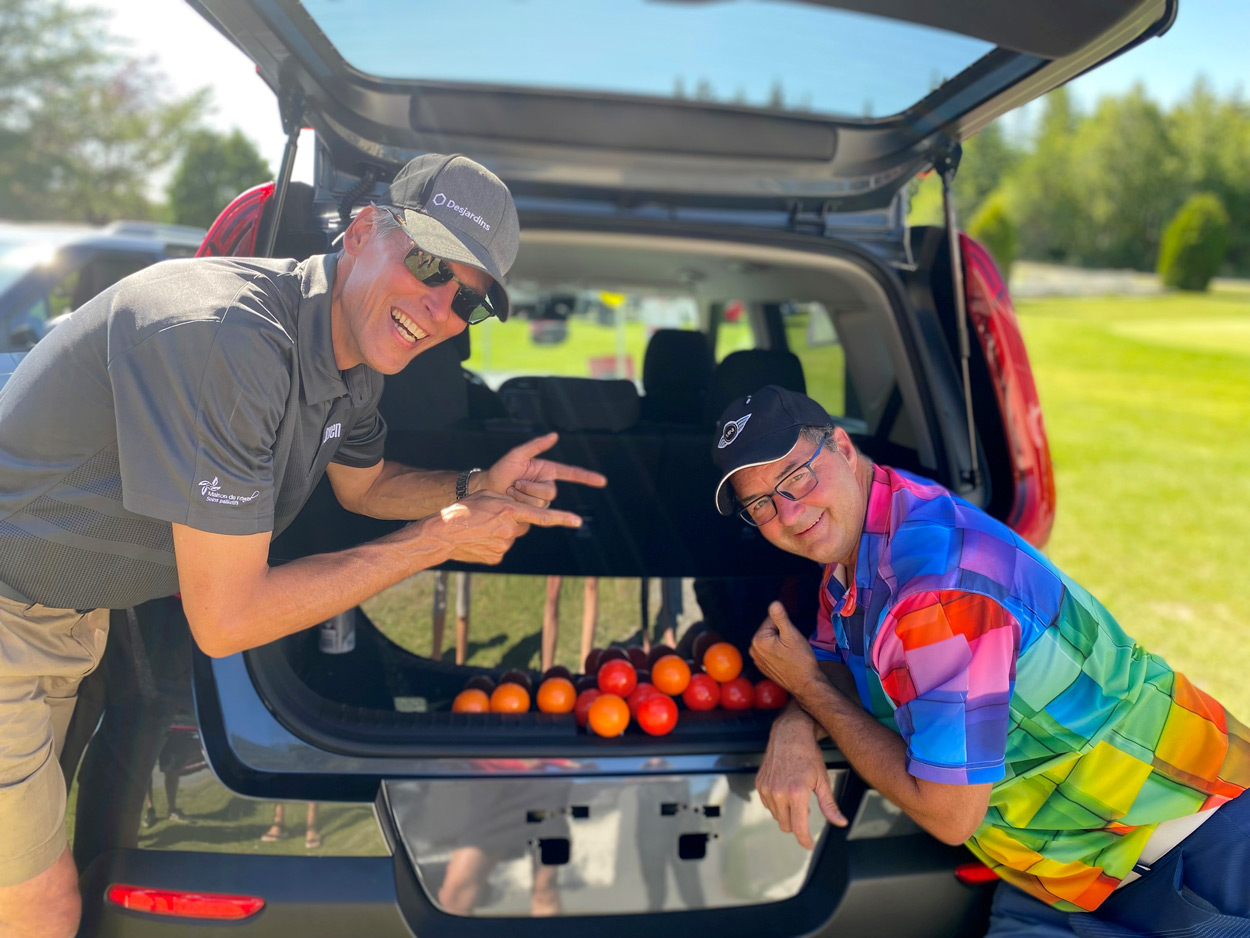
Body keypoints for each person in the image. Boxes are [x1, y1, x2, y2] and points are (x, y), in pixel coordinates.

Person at [0, 152, 607, 938]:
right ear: (361, 232)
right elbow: (225, 619)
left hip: (68, 617)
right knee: (38, 904)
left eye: (470, 301)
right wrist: (434, 542)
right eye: (427, 263)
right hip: (11, 612)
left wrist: (473, 486)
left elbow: (365, 485)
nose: (441, 307)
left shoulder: (346, 360)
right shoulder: (231, 340)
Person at [711, 385, 1249, 937]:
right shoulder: (868, 525)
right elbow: (832, 660)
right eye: (762, 504)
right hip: (1075, 870)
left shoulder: (935, 594)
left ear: (843, 448)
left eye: (795, 477)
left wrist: (809, 691)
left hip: (1192, 854)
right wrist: (797, 721)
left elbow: (947, 813)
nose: (790, 512)